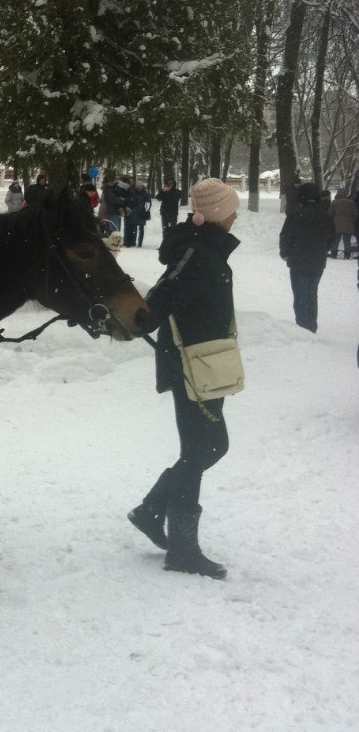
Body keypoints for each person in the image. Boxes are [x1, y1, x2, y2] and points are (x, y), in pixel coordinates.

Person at [128, 178, 241, 580]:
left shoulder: (206, 249)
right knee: (198, 450)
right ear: (216, 215)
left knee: (213, 446)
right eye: (231, 208)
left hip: (209, 365)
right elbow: (160, 299)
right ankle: (182, 550)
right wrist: (132, 318)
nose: (236, 214)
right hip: (192, 366)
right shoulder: (199, 253)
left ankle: (150, 509)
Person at [279, 182, 333, 332]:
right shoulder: (325, 215)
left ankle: (303, 328)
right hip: (317, 261)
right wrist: (321, 250)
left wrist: (285, 253)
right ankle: (311, 326)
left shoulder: (295, 214)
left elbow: (285, 236)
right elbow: (331, 238)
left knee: (300, 295)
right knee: (311, 293)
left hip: (298, 261)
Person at [328, 190, 357, 259]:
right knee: (347, 240)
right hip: (348, 224)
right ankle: (347, 254)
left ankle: (334, 253)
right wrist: (352, 220)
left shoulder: (334, 202)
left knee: (336, 240)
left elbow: (330, 213)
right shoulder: (351, 202)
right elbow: (356, 213)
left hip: (336, 224)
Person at [132, 181, 152, 247]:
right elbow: (148, 203)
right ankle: (137, 242)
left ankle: (137, 242)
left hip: (138, 212)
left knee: (138, 228)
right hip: (140, 212)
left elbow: (148, 203)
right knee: (140, 228)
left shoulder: (134, 193)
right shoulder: (145, 193)